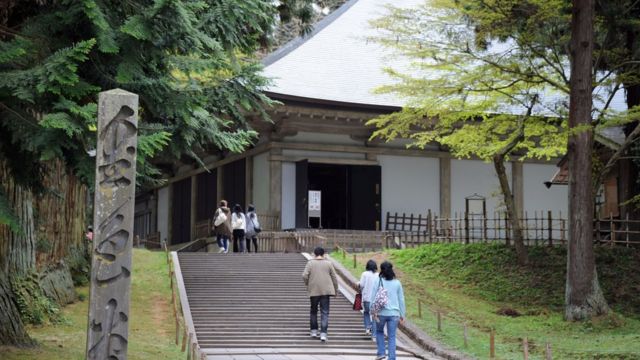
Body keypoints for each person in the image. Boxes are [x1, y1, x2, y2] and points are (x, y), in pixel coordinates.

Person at [302, 247, 338, 342]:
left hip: (314, 291)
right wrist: (335, 290)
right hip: (325, 292)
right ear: (323, 254)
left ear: (314, 254)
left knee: (313, 311)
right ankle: (323, 334)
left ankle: (314, 331)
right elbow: (334, 277)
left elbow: (304, 275)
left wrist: (308, 283)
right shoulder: (328, 263)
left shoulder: (310, 263)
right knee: (324, 312)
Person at [372, 261, 405, 360]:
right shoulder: (397, 283)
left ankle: (381, 353)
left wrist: (372, 310)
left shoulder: (378, 281)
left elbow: (373, 297)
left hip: (381, 313)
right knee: (392, 336)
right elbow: (401, 299)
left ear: (381, 270)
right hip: (394, 314)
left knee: (379, 332)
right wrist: (402, 314)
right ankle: (392, 358)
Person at [358, 259, 378, 339]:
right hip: (375, 299)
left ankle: (367, 327)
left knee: (366, 312)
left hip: (367, 298)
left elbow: (362, 285)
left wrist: (358, 283)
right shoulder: (378, 275)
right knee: (374, 316)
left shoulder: (364, 274)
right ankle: (374, 335)